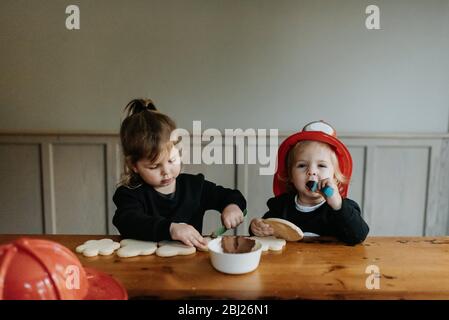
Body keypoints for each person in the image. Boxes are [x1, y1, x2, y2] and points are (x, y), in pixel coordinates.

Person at [113, 99, 246, 250]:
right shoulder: (129, 194)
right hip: (145, 267)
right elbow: (127, 222)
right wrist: (170, 228)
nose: (166, 172)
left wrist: (232, 206)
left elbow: (230, 195)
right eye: (154, 166)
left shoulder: (194, 186)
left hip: (188, 267)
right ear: (134, 166)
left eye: (172, 160)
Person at [250, 120, 369, 245]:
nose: (311, 171)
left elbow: (358, 236)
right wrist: (256, 228)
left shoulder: (341, 209)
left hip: (331, 264)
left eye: (321, 165)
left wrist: (338, 205)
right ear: (291, 176)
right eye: (302, 165)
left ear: (335, 178)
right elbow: (264, 234)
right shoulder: (281, 207)